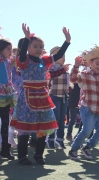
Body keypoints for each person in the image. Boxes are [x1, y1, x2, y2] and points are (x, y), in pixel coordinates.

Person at [10, 23, 71, 165]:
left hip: (43, 97)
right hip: (27, 96)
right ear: (28, 47)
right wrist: (26, 39)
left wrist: (67, 41)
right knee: (24, 128)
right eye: (35, 46)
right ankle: (22, 157)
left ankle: (39, 154)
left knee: (43, 127)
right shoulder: (24, 60)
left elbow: (59, 55)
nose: (39, 49)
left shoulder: (44, 60)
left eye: (41, 47)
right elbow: (22, 55)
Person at [46, 46, 71, 149]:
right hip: (54, 96)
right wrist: (63, 70)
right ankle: (50, 140)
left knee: (61, 119)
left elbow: (69, 82)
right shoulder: (51, 67)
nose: (63, 58)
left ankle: (60, 140)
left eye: (64, 56)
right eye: (61, 56)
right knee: (54, 119)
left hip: (63, 96)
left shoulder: (64, 69)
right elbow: (51, 75)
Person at [0, 38, 16, 160]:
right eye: (8, 49)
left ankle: (5, 150)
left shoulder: (9, 61)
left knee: (5, 123)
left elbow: (21, 59)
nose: (11, 51)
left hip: (5, 96)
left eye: (11, 49)